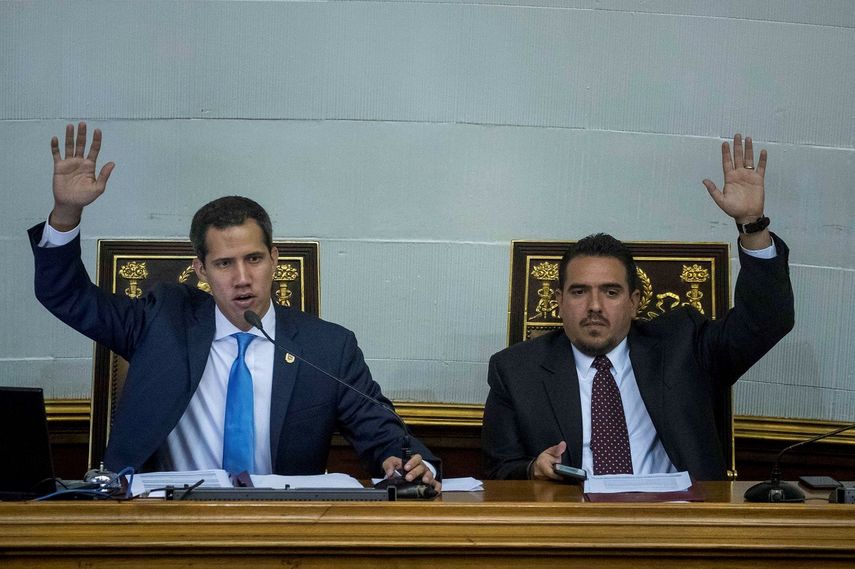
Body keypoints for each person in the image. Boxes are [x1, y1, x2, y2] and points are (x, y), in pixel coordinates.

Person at [29, 123, 440, 491]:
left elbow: (385, 436)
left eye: (254, 259)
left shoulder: (328, 348)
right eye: (225, 264)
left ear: (274, 259)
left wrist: (405, 463)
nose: (242, 278)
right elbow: (67, 296)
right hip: (163, 519)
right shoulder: (161, 321)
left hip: (279, 526)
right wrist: (66, 214)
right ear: (201, 270)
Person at [482, 134, 794, 481]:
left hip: (679, 510)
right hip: (574, 512)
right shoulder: (516, 371)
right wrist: (533, 469)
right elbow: (499, 470)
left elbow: (766, 321)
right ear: (558, 301)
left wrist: (752, 226)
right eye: (579, 292)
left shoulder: (684, 345)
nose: (595, 306)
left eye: (611, 292)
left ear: (634, 302)